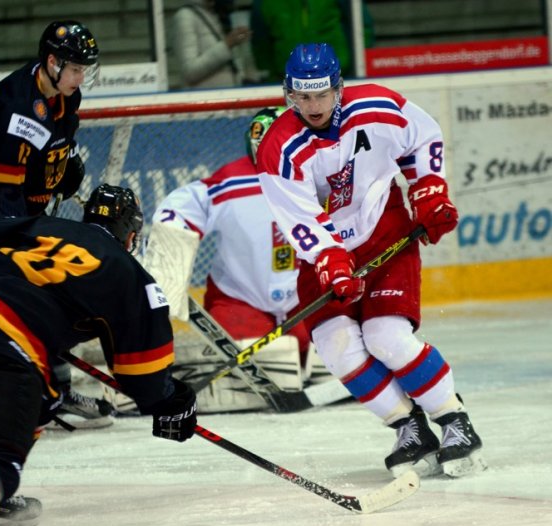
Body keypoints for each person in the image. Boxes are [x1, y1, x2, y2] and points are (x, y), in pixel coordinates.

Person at [256, 43, 486, 478]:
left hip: (385, 230)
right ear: (289, 94)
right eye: (302, 97)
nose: (313, 106)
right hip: (322, 252)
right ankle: (408, 428)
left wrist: (428, 187)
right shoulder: (279, 148)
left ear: (338, 88)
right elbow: (299, 218)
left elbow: (423, 135)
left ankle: (455, 422)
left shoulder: (377, 105)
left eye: (321, 95)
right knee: (338, 349)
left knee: (386, 336)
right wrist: (329, 258)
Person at [0, 184, 197, 526]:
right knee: (0, 466)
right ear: (131, 234)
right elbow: (144, 380)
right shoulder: (130, 275)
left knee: (46, 397)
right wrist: (174, 402)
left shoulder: (42, 226)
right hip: (7, 350)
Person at [0, 20, 112, 444]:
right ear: (51, 63)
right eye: (74, 68)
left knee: (46, 289)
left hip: (10, 199)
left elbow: (53, 154)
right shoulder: (17, 107)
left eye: (84, 69)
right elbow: (5, 191)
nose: (80, 77)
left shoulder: (67, 96)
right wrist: (22, 240)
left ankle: (59, 389)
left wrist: (58, 174)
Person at [152, 107, 309, 361]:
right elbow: (180, 208)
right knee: (248, 355)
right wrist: (168, 266)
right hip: (239, 299)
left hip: (306, 298)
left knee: (330, 343)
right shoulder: (232, 182)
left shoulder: (317, 174)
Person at [250, 0, 374, 82]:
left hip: (339, 76)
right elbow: (261, 43)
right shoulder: (264, 2)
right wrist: (274, 78)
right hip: (289, 81)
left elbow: (362, 28)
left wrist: (354, 68)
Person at [171, 0, 255, 89]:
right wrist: (227, 44)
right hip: (205, 99)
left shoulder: (218, 13)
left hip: (230, 95)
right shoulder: (185, 17)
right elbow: (189, 72)